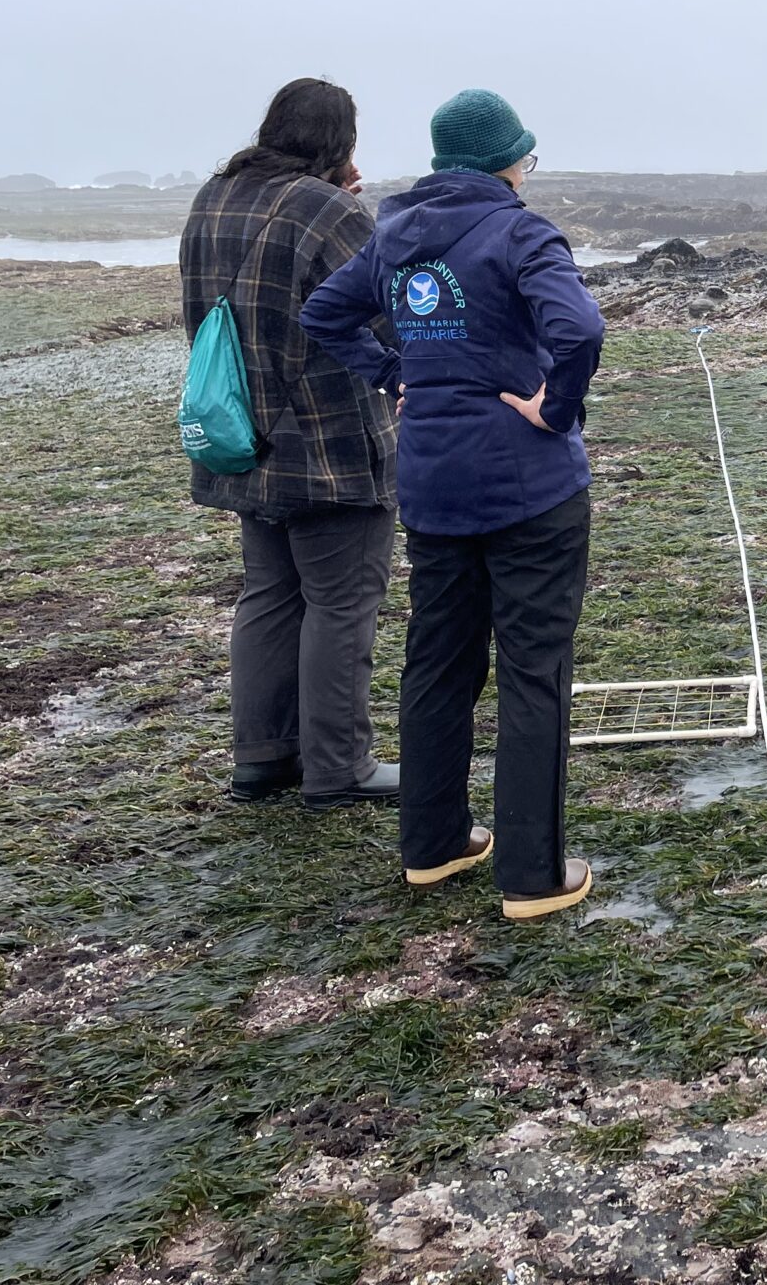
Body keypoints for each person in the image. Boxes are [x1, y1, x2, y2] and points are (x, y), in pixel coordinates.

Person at [302, 88, 605, 921]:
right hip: (530, 487)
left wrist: (397, 373)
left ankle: (432, 845)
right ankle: (535, 875)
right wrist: (556, 406)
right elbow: (578, 329)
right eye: (526, 159)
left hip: (432, 486)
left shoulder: (394, 235)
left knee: (437, 664)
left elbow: (325, 313)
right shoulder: (520, 230)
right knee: (534, 672)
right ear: (508, 161)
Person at [179, 78, 399, 809]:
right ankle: (341, 768)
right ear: (341, 144)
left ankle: (262, 758)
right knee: (342, 601)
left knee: (269, 594)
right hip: (329, 444)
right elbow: (387, 313)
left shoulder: (213, 198)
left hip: (242, 435)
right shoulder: (329, 209)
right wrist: (348, 202)